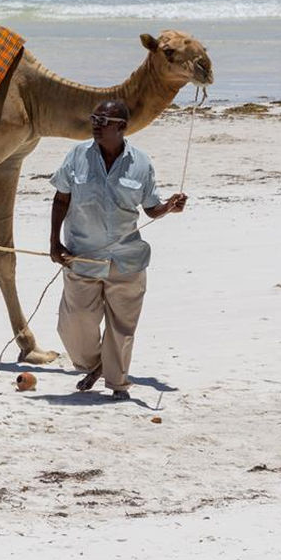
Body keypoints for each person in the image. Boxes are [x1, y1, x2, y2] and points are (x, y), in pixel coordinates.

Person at [48, 99, 186, 399]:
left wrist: (169, 208)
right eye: (94, 118)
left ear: (122, 127)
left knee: (121, 330)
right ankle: (95, 364)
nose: (96, 124)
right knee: (74, 326)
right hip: (81, 257)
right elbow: (61, 199)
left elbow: (151, 209)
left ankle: (118, 385)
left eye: (103, 120)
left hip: (127, 260)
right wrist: (54, 242)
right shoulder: (77, 155)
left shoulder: (142, 163)